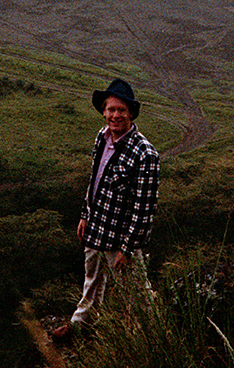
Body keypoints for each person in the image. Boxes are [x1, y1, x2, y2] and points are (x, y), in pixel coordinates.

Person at [52, 78, 159, 340]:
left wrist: (128, 247)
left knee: (135, 293)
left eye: (121, 110)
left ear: (131, 113)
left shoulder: (145, 153)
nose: (115, 115)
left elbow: (144, 207)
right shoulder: (102, 136)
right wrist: (85, 214)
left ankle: (144, 339)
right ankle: (81, 326)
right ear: (103, 111)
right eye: (110, 109)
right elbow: (95, 180)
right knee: (92, 281)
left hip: (121, 236)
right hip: (96, 225)